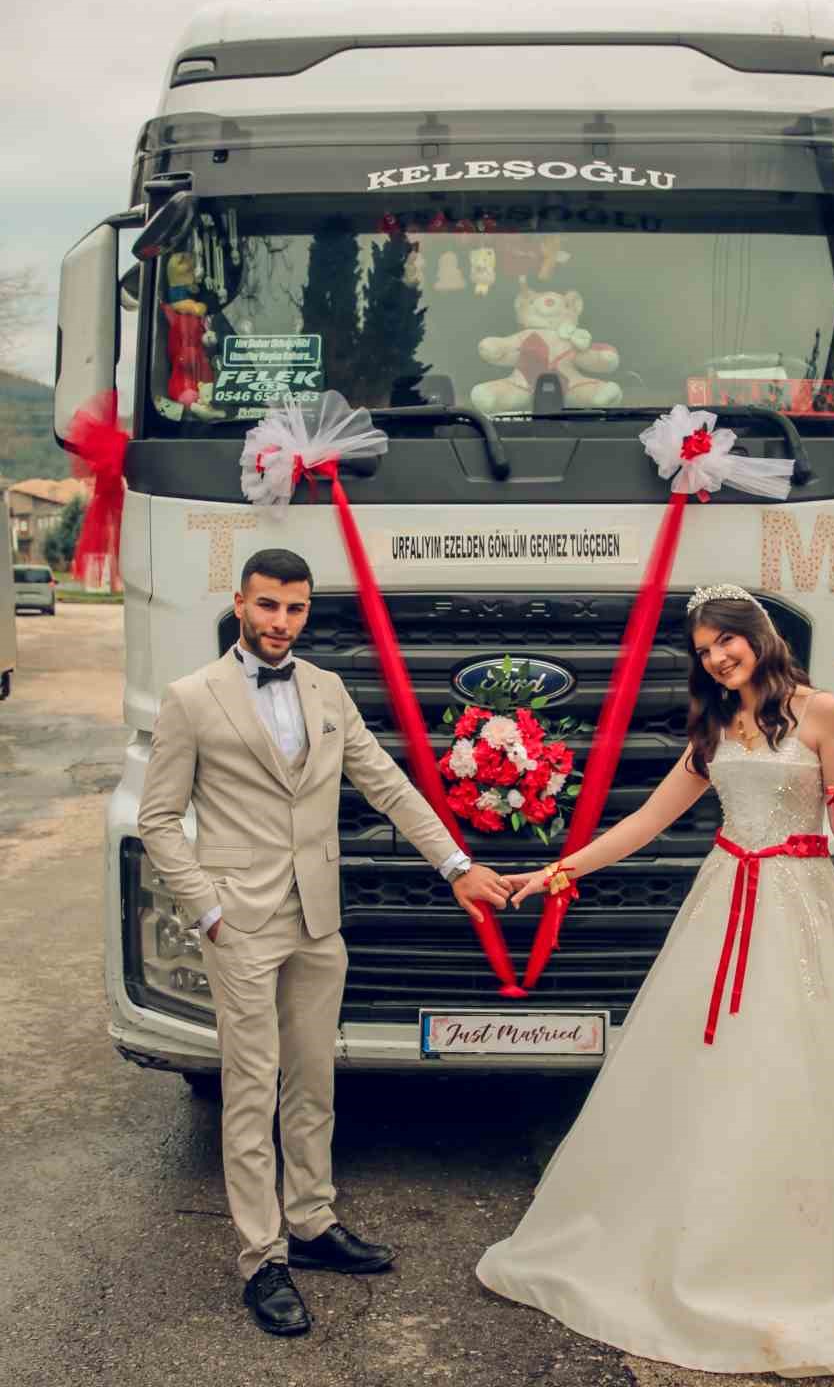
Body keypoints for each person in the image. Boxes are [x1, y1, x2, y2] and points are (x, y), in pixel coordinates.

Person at [477, 584, 834, 1382]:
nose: (717, 658)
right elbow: (646, 822)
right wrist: (558, 871)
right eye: (704, 651)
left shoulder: (819, 712)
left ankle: (817, 1254)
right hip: (724, 903)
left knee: (805, 1067)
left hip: (802, 904)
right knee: (710, 1074)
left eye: (726, 642)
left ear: (758, 636)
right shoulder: (712, 727)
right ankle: (701, 1241)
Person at [139, 547, 511, 1337]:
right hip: (239, 922)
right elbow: (159, 819)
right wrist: (206, 909)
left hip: (317, 919)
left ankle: (310, 1221)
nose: (281, 621)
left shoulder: (327, 689)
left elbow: (388, 786)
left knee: (313, 1082)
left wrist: (456, 865)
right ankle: (262, 1258)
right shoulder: (191, 697)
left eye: (295, 608)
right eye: (268, 605)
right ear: (241, 603)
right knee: (251, 1089)